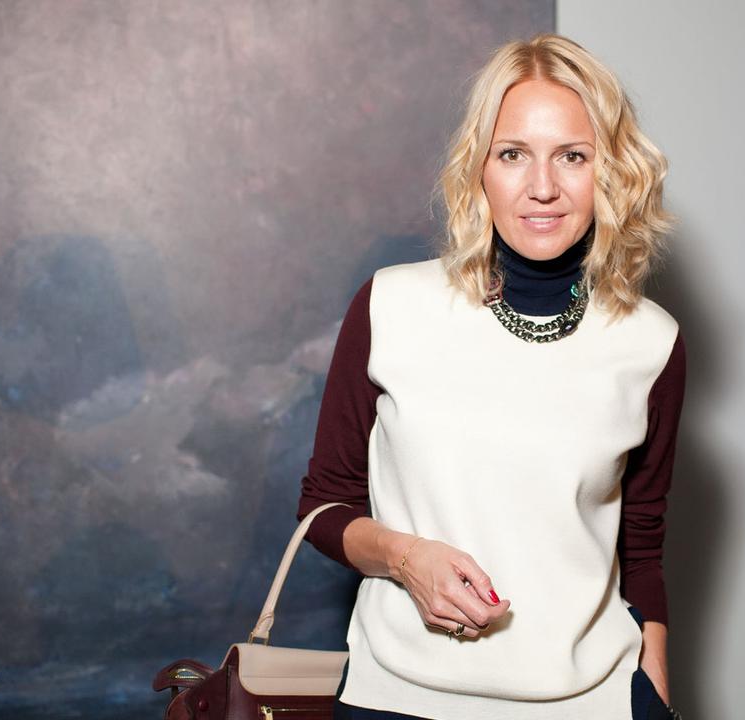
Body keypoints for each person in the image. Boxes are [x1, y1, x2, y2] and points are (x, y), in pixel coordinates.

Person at [296, 33, 685, 720]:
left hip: (591, 703)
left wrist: (653, 685)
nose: (543, 187)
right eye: (513, 154)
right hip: (397, 700)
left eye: (572, 155)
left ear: (611, 169)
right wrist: (405, 557)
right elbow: (324, 506)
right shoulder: (390, 306)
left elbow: (641, 543)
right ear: (479, 166)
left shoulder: (652, 343)